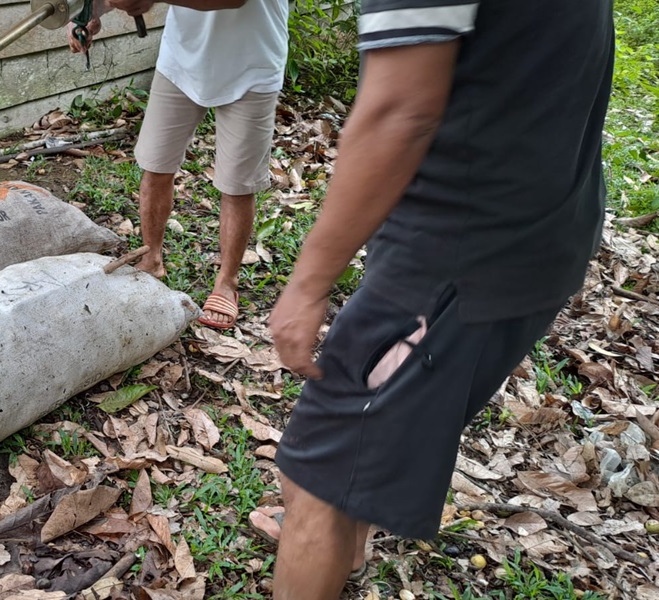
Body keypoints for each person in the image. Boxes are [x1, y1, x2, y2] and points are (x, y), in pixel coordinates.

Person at [263, 1, 614, 597]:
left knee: (319, 476)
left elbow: (401, 110)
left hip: (459, 253)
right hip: (545, 218)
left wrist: (307, 286)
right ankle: (344, 546)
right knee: (353, 443)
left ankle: (326, 536)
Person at [69, 0, 289, 330]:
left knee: (237, 184)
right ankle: (151, 258)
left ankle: (227, 281)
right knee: (156, 166)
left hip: (252, 65)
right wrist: (90, 14)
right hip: (181, 62)